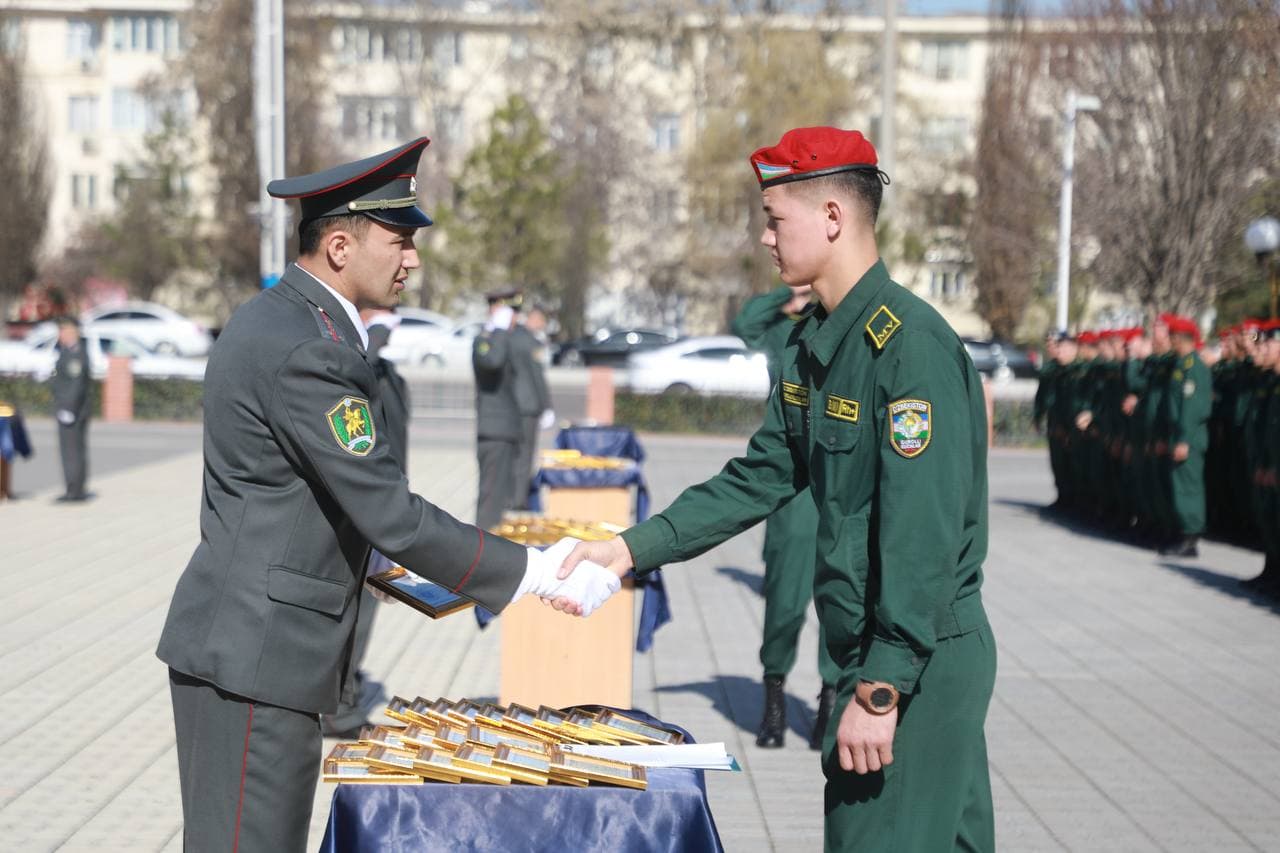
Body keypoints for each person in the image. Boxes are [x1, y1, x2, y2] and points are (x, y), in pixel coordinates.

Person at [154, 138, 619, 853]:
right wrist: (531, 572)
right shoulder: (310, 346)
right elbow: (391, 511)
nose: (413, 260)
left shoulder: (284, 317)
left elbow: (297, 488)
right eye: (400, 240)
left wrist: (369, 559)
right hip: (256, 658)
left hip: (251, 650)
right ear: (340, 245)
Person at [560, 127, 995, 851]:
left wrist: (879, 689)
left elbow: (922, 539)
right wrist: (629, 548)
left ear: (832, 216)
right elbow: (758, 476)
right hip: (888, 651)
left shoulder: (907, 348)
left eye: (774, 218)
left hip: (914, 663)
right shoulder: (814, 346)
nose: (764, 238)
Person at [731, 283, 840, 749]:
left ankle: (829, 704)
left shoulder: (858, 335)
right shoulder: (788, 335)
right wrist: (788, 291)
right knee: (785, 601)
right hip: (795, 491)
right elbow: (745, 323)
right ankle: (773, 700)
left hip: (840, 488)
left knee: (840, 601)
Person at [319, 308, 410, 739]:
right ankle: (338, 708)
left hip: (383, 507)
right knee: (351, 612)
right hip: (357, 512)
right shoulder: (350, 358)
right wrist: (371, 336)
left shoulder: (387, 371)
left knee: (366, 611)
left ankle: (343, 699)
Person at [1158, 315, 1211, 557]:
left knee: (1188, 488)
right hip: (1178, 435)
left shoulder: (1194, 367)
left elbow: (1193, 409)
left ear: (1180, 338)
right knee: (1179, 487)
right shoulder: (1181, 364)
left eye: (1172, 336)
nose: (1169, 340)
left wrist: (1184, 440)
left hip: (1188, 438)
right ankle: (1182, 533)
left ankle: (1191, 538)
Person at [472, 287, 525, 529]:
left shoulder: (502, 340)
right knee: (490, 501)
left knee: (501, 500)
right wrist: (499, 330)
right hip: (494, 433)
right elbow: (492, 362)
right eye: (508, 312)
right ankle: (483, 554)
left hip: (506, 431)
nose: (513, 318)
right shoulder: (484, 341)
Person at [510, 303, 554, 510]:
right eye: (542, 321)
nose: (542, 325)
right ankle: (519, 499)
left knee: (513, 453)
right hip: (529, 407)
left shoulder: (512, 337)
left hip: (511, 405)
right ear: (535, 319)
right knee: (526, 455)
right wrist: (547, 406)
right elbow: (538, 377)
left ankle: (509, 496)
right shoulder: (533, 342)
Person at [49, 316, 92, 502]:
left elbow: (77, 384)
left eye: (62, 331)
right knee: (76, 450)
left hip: (72, 410)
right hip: (74, 409)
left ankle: (74, 490)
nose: (60, 335)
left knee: (71, 451)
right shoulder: (69, 350)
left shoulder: (75, 352)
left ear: (71, 332)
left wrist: (68, 408)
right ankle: (76, 488)